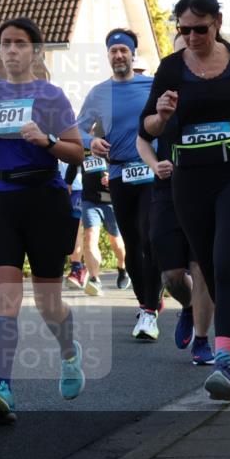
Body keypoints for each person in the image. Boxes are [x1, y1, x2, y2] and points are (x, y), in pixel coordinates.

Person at [140, 0, 230, 401]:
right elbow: (147, 129)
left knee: (224, 260)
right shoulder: (170, 68)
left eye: (200, 28)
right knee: (212, 274)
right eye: (184, 29)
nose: (193, 37)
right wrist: (161, 115)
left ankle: (223, 363)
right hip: (189, 178)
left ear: (217, 21)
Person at [0, 17, 85, 424]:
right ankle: (4, 388)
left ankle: (69, 354)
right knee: (4, 299)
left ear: (35, 51)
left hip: (43, 201)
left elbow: (77, 153)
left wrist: (47, 141)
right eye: (5, 44)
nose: (12, 50)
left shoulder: (50, 96)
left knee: (49, 303)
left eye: (19, 44)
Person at [79, 28, 163, 340]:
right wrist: (93, 140)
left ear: (132, 55)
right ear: (108, 56)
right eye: (113, 51)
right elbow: (77, 129)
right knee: (133, 243)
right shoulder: (99, 93)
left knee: (150, 238)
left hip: (150, 172)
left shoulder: (152, 85)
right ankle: (147, 302)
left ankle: (149, 311)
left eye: (123, 51)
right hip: (118, 176)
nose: (118, 56)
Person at [137, 29, 215, 363]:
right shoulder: (162, 94)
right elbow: (143, 138)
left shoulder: (215, 92)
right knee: (171, 275)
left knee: (200, 266)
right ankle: (186, 305)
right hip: (168, 189)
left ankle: (202, 340)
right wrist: (155, 165)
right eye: (181, 51)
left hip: (206, 187)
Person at [78, 157, 128, 297]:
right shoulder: (84, 146)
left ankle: (123, 267)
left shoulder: (113, 147)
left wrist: (113, 178)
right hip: (89, 201)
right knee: (90, 236)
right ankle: (95, 279)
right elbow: (73, 164)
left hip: (111, 201)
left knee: (117, 243)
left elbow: (127, 166)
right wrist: (68, 183)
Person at [60, 158, 87, 289]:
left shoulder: (77, 137)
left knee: (75, 229)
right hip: (53, 187)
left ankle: (77, 269)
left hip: (76, 188)